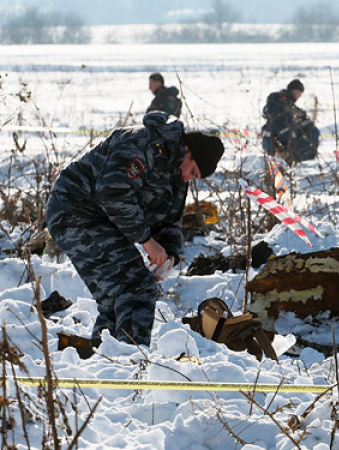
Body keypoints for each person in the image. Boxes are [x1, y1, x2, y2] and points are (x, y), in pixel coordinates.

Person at [46, 112, 224, 347]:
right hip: (75, 211)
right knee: (137, 288)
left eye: (195, 177)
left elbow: (169, 219)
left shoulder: (176, 171)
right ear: (187, 151)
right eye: (192, 171)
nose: (187, 178)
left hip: (105, 221)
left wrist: (168, 255)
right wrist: (147, 241)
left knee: (116, 298)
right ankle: (132, 362)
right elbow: (112, 193)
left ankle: (105, 361)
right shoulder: (142, 143)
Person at [261, 79, 320, 163]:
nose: (300, 96)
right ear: (295, 90)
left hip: (268, 132)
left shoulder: (278, 98)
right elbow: (290, 115)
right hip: (283, 133)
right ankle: (299, 159)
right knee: (312, 132)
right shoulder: (285, 100)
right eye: (300, 93)